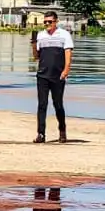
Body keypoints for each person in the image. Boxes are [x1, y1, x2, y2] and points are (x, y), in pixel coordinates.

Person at [31, 12, 72, 143]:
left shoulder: (64, 35)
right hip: (42, 75)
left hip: (58, 75)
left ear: (56, 22)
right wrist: (33, 44)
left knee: (57, 104)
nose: (47, 24)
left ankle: (62, 130)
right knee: (42, 105)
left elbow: (68, 52)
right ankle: (41, 134)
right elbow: (36, 57)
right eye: (45, 22)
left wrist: (66, 70)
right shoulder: (41, 35)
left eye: (50, 22)